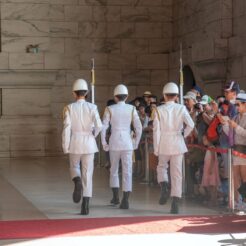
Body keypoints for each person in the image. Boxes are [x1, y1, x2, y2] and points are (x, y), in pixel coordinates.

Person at [152, 82, 194, 214]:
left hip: (164, 141)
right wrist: (183, 135)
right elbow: (191, 125)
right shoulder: (181, 108)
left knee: (161, 166)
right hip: (177, 142)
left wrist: (156, 147)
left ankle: (164, 185)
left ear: (164, 96)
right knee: (177, 173)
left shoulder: (158, 110)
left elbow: (156, 131)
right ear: (176, 96)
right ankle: (175, 202)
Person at [62, 79, 102, 215]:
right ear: (86, 93)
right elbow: (99, 126)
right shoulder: (92, 107)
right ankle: (85, 205)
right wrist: (93, 135)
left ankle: (77, 180)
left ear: (74, 93)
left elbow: (67, 128)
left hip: (75, 142)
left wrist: (65, 146)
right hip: (89, 143)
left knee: (74, 167)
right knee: (88, 173)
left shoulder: (69, 108)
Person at [101, 84, 142, 209]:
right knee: (127, 171)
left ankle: (115, 197)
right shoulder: (131, 108)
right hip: (127, 142)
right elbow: (138, 127)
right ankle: (125, 200)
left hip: (114, 142)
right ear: (127, 96)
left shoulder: (110, 108)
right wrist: (135, 143)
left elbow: (104, 127)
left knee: (114, 170)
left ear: (115, 97)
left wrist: (104, 143)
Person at [222, 92, 246, 211]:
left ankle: (244, 202)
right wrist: (225, 125)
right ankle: (238, 201)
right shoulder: (236, 117)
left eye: (238, 104)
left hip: (244, 151)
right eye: (236, 104)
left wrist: (236, 127)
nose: (236, 107)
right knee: (236, 178)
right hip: (236, 150)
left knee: (244, 177)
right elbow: (230, 135)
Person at [201, 135, 221, 207]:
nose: (203, 142)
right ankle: (213, 200)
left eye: (204, 140)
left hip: (211, 168)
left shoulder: (212, 148)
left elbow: (213, 159)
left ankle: (213, 200)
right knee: (210, 185)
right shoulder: (209, 148)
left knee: (212, 185)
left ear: (209, 140)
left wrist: (211, 168)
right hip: (208, 168)